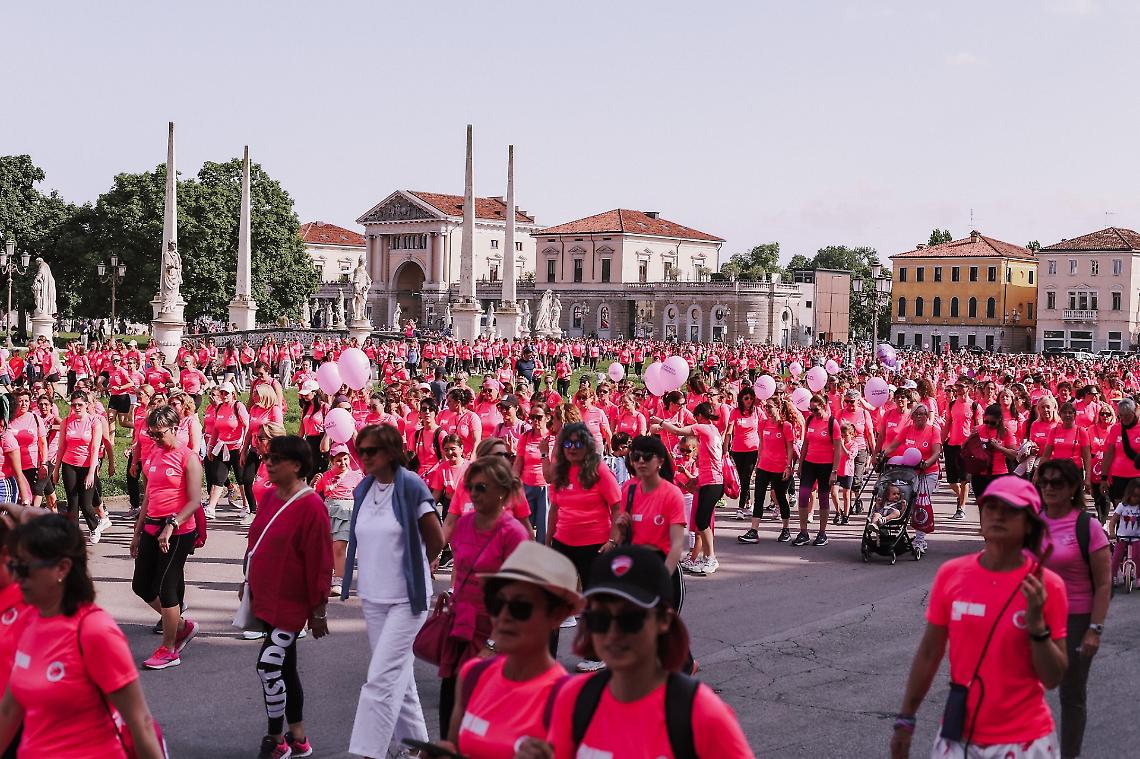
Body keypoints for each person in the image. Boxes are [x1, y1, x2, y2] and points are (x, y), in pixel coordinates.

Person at [515, 546, 754, 759]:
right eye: (600, 618)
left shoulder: (702, 714)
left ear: (664, 620)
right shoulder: (573, 700)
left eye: (630, 618)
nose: (613, 632)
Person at [890, 476, 1068, 759]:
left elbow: (1053, 677)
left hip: (1025, 742)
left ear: (1029, 524)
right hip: (959, 737)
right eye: (990, 507)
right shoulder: (952, 573)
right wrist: (905, 719)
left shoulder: (1047, 586)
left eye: (1010, 510)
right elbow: (929, 652)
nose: (997, 515)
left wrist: (1037, 627)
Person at [0, 513, 165, 758]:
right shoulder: (28, 623)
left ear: (62, 568)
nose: (17, 576)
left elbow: (139, 723)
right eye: (14, 566)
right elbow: (8, 712)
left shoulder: (94, 631)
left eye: (24, 568)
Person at [342, 424, 444, 759]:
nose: (365, 457)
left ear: (390, 451)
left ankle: (366, 752)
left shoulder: (411, 485)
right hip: (373, 598)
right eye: (362, 450)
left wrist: (423, 566)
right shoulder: (364, 489)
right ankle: (416, 748)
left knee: (380, 678)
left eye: (372, 450)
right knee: (399, 677)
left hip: (407, 599)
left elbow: (437, 538)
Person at [432, 542, 582, 758]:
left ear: (557, 615)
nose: (504, 616)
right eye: (496, 603)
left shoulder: (568, 700)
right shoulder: (474, 675)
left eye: (520, 607)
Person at [242, 435, 331, 759]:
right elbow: (256, 542)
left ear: (296, 465)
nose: (268, 462)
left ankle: (275, 739)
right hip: (265, 599)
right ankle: (299, 737)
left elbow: (321, 562)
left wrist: (318, 611)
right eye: (268, 457)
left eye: (276, 458)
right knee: (286, 668)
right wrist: (246, 580)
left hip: (291, 606)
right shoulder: (269, 496)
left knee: (269, 666)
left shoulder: (311, 505)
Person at [436, 456, 530, 735]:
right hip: (461, 627)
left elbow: (520, 597)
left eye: (481, 488)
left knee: (488, 716)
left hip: (494, 632)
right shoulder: (464, 524)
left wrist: (494, 643)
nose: (473, 494)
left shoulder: (513, 533)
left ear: (501, 492)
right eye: (471, 487)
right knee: (450, 701)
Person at [1036, 458, 1111, 759]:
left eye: (1058, 483)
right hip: (1035, 617)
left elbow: (1104, 583)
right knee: (1021, 689)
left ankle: (1069, 755)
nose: (1050, 488)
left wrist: (1095, 629)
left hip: (1075, 620)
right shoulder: (1033, 522)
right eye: (1045, 482)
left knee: (1071, 695)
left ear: (1072, 488)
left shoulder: (1087, 526)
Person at [543, 421, 621, 672]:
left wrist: (612, 539)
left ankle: (597, 653)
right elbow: (554, 508)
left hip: (595, 545)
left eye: (578, 443)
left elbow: (617, 506)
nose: (572, 448)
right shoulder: (560, 473)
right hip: (563, 542)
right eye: (567, 443)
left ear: (587, 445)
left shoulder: (598, 471)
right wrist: (548, 541)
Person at [130, 405, 202, 670]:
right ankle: (182, 627)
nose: (155, 439)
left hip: (179, 530)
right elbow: (149, 496)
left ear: (175, 428)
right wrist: (137, 533)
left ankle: (169, 649)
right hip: (151, 527)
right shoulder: (154, 453)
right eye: (151, 434)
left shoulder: (188, 457)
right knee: (141, 586)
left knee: (167, 589)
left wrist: (172, 524)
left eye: (159, 434)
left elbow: (194, 501)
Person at [656, 402, 724, 575]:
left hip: (712, 481)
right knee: (702, 520)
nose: (694, 420)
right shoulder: (714, 430)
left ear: (701, 415)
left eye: (696, 416)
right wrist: (696, 479)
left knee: (702, 521)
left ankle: (711, 557)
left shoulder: (703, 428)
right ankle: (706, 556)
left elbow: (678, 432)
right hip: (710, 480)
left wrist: (661, 422)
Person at [54, 391, 109, 542]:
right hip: (69, 464)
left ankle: (94, 527)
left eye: (80, 404)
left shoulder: (94, 421)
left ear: (86, 405)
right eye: (74, 405)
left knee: (86, 504)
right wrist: (56, 470)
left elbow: (95, 449)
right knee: (72, 502)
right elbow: (61, 448)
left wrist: (92, 472)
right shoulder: (66, 421)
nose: (77, 407)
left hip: (86, 466)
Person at [312, 444, 363, 597]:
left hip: (347, 512)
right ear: (332, 461)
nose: (343, 463)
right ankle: (330, 575)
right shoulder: (325, 476)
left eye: (345, 459)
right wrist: (313, 483)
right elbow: (311, 494)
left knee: (339, 547)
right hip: (328, 512)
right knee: (328, 548)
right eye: (338, 460)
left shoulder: (356, 476)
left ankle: (339, 581)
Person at [791, 394, 841, 547]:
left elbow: (838, 449)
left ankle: (822, 533)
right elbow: (806, 443)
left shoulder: (832, 423)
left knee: (823, 497)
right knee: (803, 495)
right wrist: (800, 463)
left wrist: (834, 471)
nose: (813, 412)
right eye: (811, 409)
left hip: (826, 465)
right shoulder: (810, 419)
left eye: (816, 409)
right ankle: (803, 532)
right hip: (809, 464)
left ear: (824, 406)